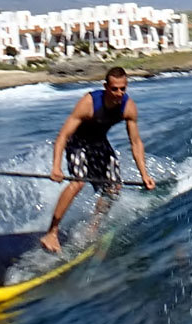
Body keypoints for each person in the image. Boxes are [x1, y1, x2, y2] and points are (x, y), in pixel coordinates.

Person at [40, 67, 155, 253]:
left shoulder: (128, 107)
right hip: (77, 142)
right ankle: (52, 232)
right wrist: (56, 168)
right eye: (114, 89)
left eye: (123, 89)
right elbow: (62, 136)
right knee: (78, 182)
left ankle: (92, 228)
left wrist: (144, 174)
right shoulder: (89, 103)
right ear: (105, 87)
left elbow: (135, 142)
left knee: (113, 187)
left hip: (99, 143)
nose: (119, 93)